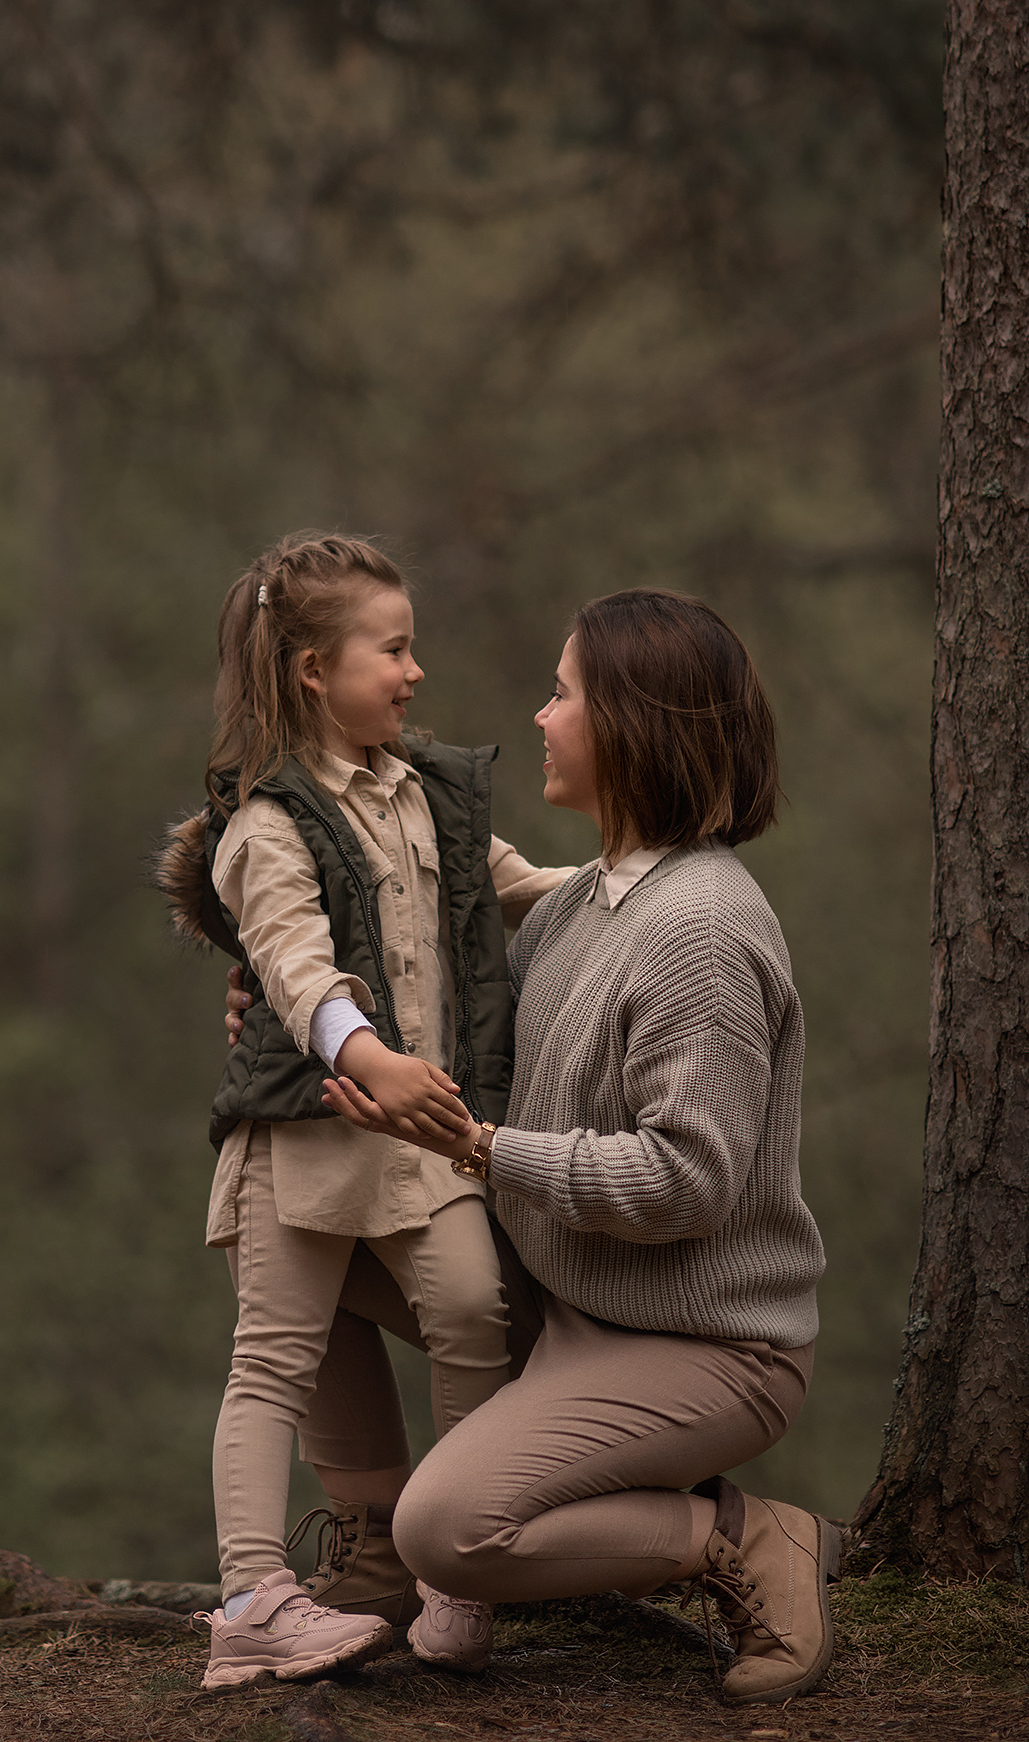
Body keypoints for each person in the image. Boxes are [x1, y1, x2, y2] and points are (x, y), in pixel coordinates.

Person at [318, 588, 835, 1707]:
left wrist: (484, 1148)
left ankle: (740, 1536)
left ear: (633, 726)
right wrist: (295, 1008)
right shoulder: (583, 904)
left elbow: (687, 1184)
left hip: (706, 1346)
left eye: (561, 695)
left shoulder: (698, 932)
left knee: (452, 1531)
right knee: (304, 1241)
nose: (540, 718)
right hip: (567, 1301)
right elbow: (451, 973)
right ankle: (366, 1564)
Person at [156, 533, 573, 1689]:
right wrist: (366, 1053)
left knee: (471, 1309)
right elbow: (292, 966)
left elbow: (526, 894)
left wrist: (639, 891)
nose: (413, 670)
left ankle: (455, 1574)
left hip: (421, 1142)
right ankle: (251, 1600)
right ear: (308, 669)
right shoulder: (265, 823)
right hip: (307, 1134)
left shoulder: (430, 788)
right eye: (390, 649)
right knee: (272, 1359)